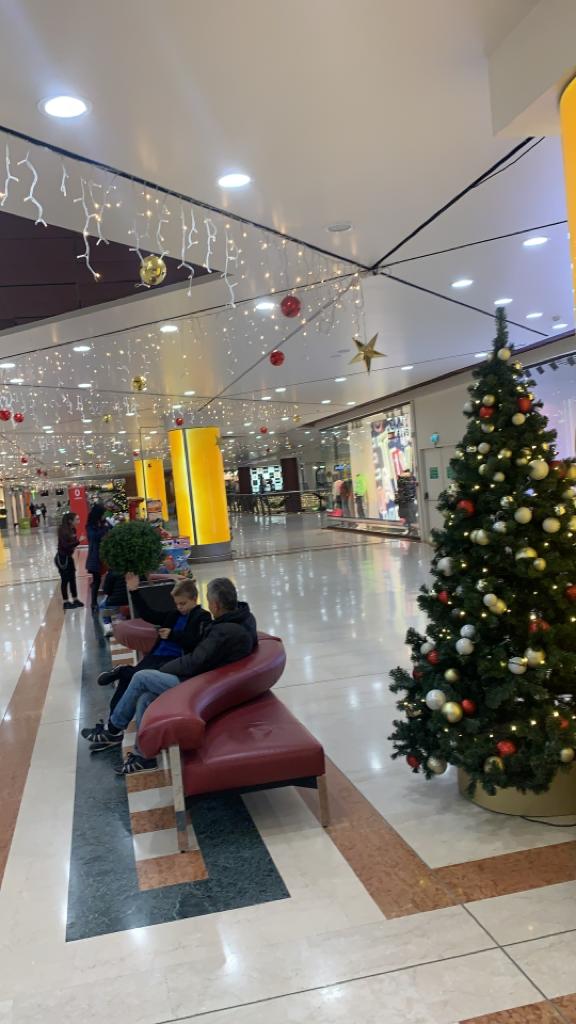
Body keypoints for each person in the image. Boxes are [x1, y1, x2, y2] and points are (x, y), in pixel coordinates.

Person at [90, 577, 258, 774]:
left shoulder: (222, 631)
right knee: (145, 698)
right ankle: (144, 756)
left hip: (199, 685)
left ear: (215, 604)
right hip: (210, 680)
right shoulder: (242, 619)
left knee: (141, 677)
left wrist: (163, 670)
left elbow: (194, 661)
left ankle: (113, 729)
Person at [81, 575, 210, 745]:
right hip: (156, 657)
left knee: (132, 675)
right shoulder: (174, 615)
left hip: (172, 663)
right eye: (177, 604)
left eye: (183, 603)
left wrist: (173, 635)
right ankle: (112, 727)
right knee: (127, 678)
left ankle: (112, 728)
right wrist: (134, 592)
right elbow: (149, 615)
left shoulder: (202, 617)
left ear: (194, 598)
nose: (180, 608)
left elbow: (196, 642)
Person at [55, 512, 84, 610]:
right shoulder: (62, 530)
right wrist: (78, 542)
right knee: (65, 580)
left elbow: (71, 544)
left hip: (69, 557)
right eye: (77, 519)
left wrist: (76, 542)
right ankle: (66, 601)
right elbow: (65, 546)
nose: (78, 521)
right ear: (70, 521)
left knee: (72, 578)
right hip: (62, 559)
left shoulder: (73, 530)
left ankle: (75, 599)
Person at [86, 504, 110, 612]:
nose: (105, 515)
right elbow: (93, 537)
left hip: (105, 554)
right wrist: (104, 528)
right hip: (95, 556)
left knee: (110, 575)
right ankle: (94, 603)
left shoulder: (103, 523)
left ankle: (108, 597)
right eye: (103, 514)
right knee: (96, 580)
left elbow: (111, 529)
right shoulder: (90, 526)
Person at [396, 469, 418, 535]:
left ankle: (412, 531)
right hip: (408, 502)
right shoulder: (411, 479)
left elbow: (402, 490)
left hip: (406, 503)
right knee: (410, 518)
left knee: (409, 518)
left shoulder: (403, 480)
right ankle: (412, 531)